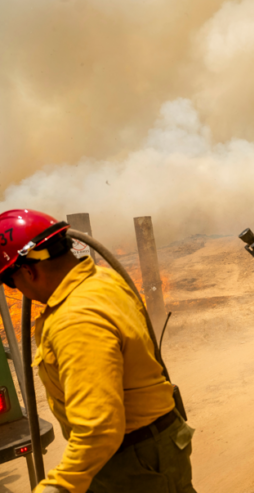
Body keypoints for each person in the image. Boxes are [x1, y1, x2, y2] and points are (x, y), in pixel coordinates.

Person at [0, 209, 196, 493]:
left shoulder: (75, 319)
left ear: (28, 272)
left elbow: (99, 429)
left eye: (11, 281)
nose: (18, 290)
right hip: (149, 448)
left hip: (133, 463)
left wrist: (58, 487)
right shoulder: (101, 281)